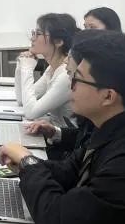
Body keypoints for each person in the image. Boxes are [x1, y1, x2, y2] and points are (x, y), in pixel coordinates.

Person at [0, 31, 125, 224]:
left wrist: (29, 162)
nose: (70, 84)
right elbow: (69, 171)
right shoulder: (110, 127)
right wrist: (25, 165)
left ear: (108, 96)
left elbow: (58, 218)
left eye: (76, 78)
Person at [25, 30, 101, 160]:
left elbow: (31, 112)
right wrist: (54, 132)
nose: (65, 60)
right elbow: (81, 139)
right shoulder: (96, 124)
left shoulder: (121, 151)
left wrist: (25, 161)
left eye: (76, 79)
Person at [15, 13, 78, 124]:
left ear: (58, 41)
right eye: (33, 33)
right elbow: (21, 100)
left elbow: (31, 113)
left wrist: (27, 68)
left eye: (38, 34)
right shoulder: (52, 68)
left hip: (64, 134)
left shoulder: (65, 74)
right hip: (52, 130)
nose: (32, 38)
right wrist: (20, 67)